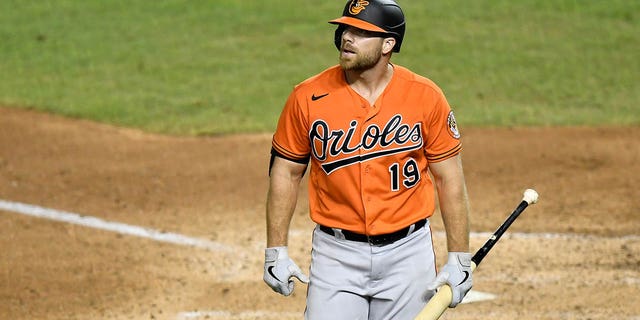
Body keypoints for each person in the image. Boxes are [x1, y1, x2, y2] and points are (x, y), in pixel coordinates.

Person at [263, 0, 473, 319]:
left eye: (361, 32)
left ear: (389, 43)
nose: (348, 37)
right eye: (346, 29)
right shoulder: (307, 97)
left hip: (408, 254)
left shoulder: (425, 96)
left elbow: (450, 180)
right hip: (336, 255)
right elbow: (286, 172)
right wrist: (275, 249)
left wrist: (459, 255)